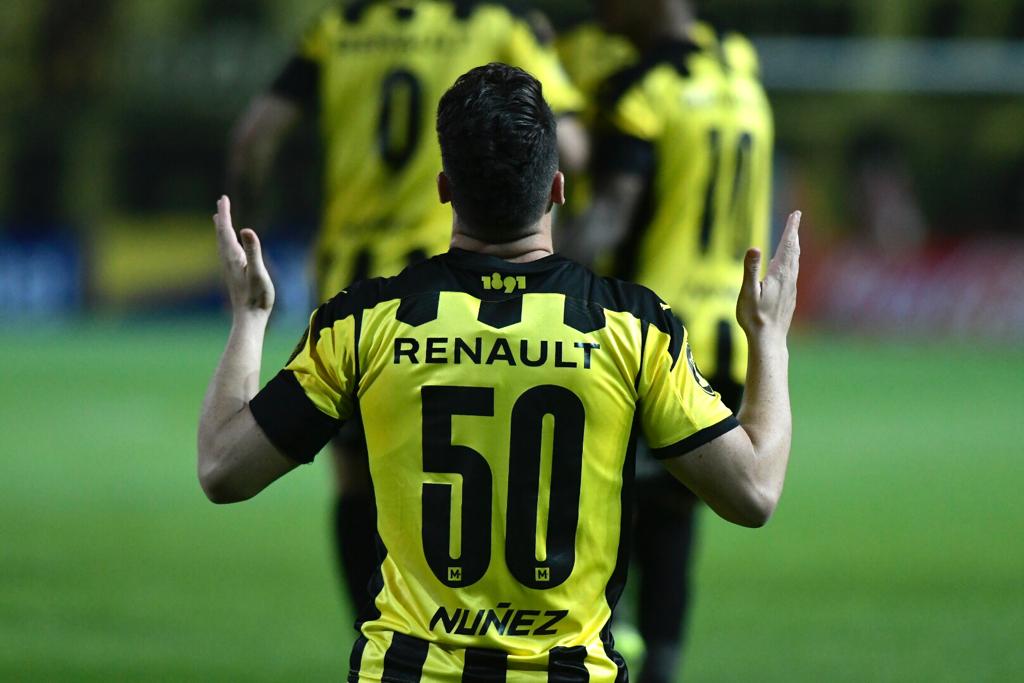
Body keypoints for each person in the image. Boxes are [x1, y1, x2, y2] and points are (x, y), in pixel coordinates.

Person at [199, 63, 799, 682]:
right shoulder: (633, 327)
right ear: (558, 188)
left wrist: (249, 318)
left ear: (444, 188)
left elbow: (223, 469)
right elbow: (753, 492)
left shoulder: (365, 321)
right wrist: (770, 339)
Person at [226, 0, 585, 614]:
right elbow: (572, 147)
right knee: (477, 446)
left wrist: (251, 225)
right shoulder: (497, 24)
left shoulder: (339, 30)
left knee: (354, 478)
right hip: (451, 276)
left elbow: (254, 136)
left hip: (351, 279)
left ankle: (376, 631)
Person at [562, 1, 775, 680]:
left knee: (591, 510)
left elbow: (611, 216)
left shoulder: (642, 91)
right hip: (731, 334)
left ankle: (601, 651)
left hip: (653, 339)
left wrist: (538, 275)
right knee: (673, 515)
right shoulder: (739, 66)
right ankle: (661, 665)